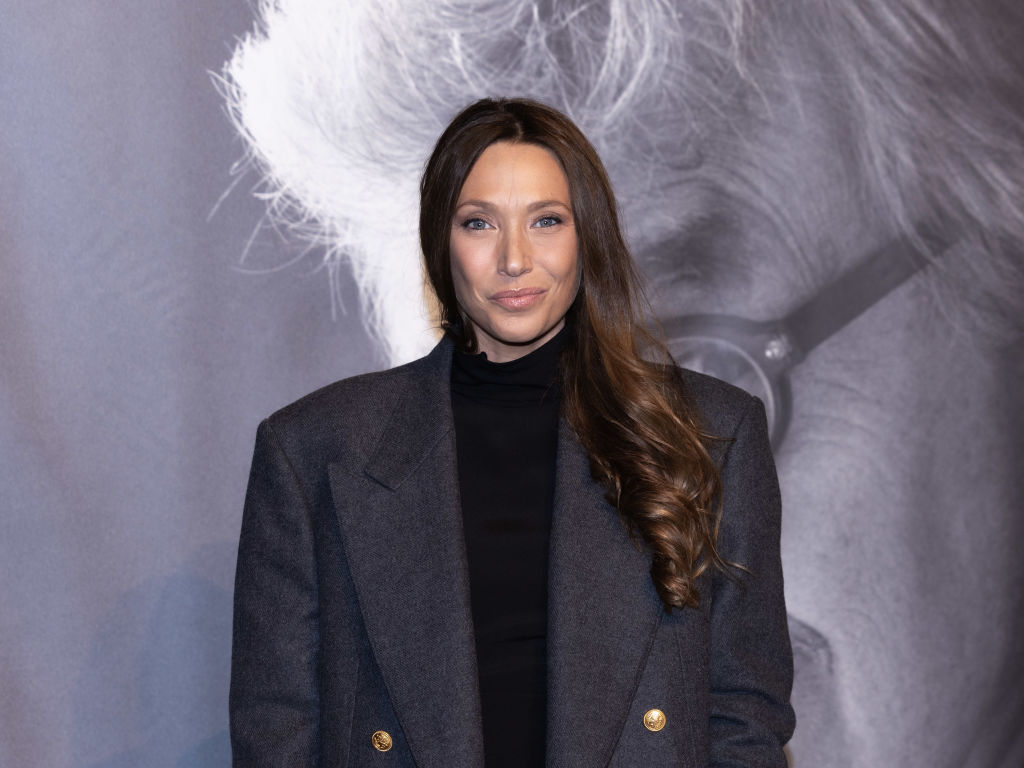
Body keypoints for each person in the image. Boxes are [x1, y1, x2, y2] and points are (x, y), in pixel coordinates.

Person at [230, 97, 795, 766]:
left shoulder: (710, 433)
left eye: (547, 221)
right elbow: (279, 731)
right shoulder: (314, 450)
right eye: (479, 223)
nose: (515, 259)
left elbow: (744, 712)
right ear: (440, 242)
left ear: (588, 236)